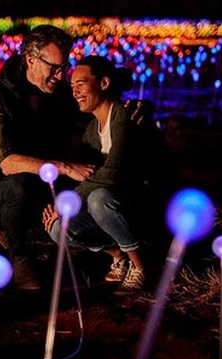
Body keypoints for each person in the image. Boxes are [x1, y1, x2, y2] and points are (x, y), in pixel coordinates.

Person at [0, 24, 95, 290]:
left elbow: (94, 105)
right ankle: (19, 255)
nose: (60, 76)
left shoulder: (59, 95)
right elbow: (7, 162)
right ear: (30, 60)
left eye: (64, 68)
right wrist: (64, 167)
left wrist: (125, 108)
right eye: (54, 68)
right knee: (20, 185)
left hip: (42, 185)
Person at [42, 54, 179, 291]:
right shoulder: (90, 133)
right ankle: (119, 256)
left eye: (81, 84)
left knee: (99, 198)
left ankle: (143, 265)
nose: (75, 92)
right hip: (115, 209)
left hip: (149, 208)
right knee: (58, 227)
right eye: (72, 86)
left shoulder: (125, 117)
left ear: (104, 83)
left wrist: (69, 200)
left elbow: (112, 174)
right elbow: (90, 177)